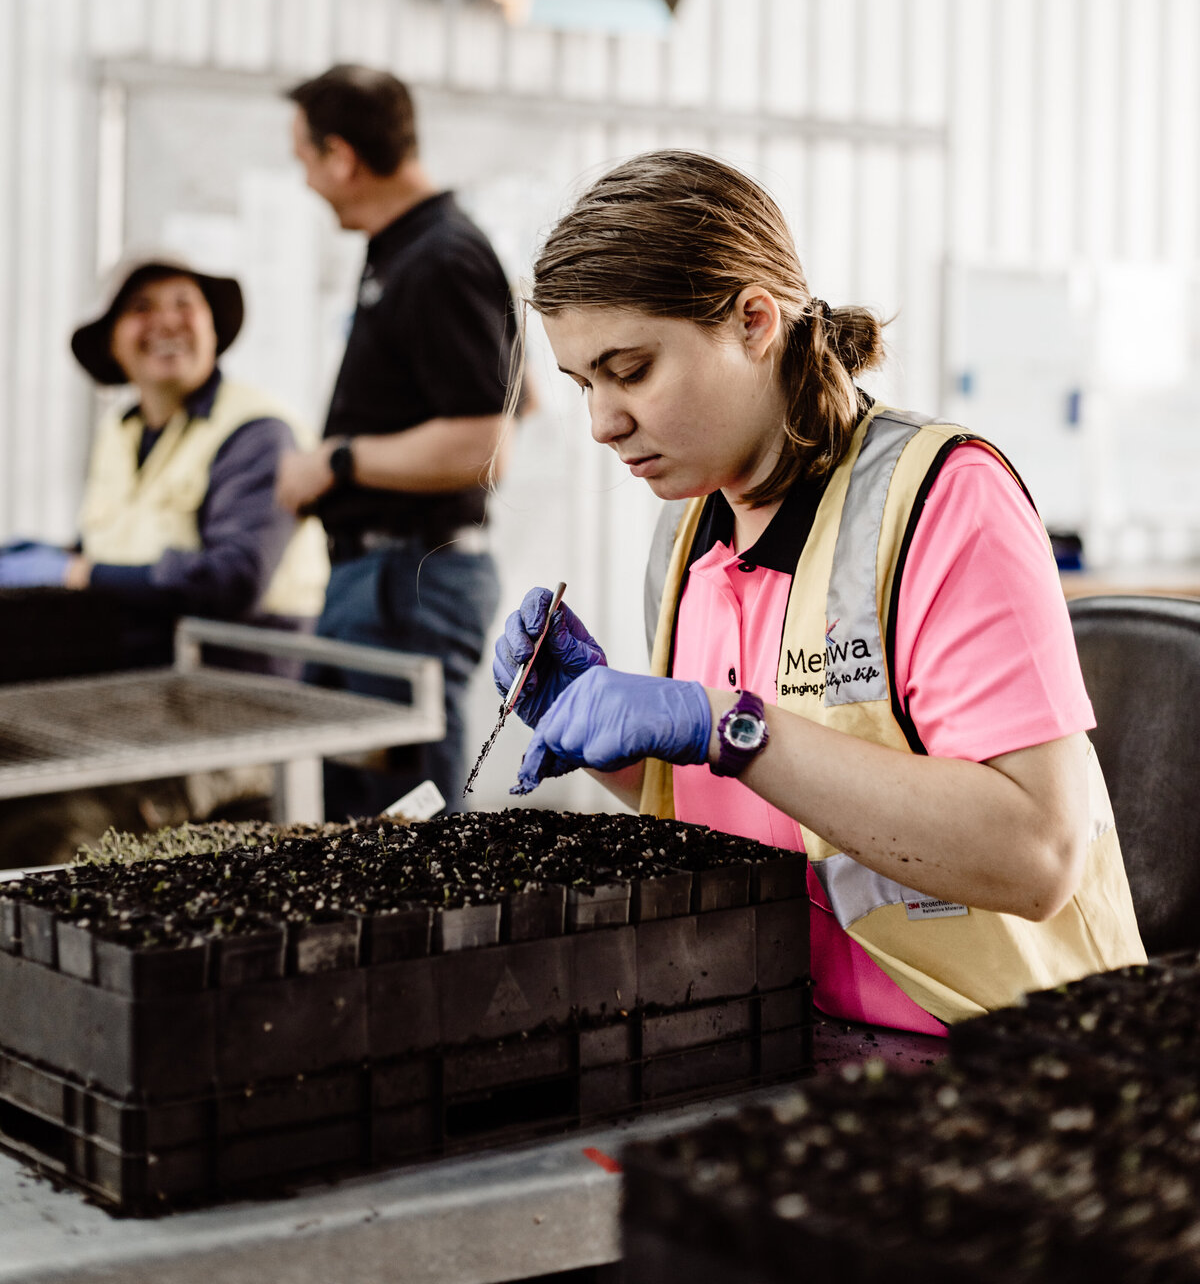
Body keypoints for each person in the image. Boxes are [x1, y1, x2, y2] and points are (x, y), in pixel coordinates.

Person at [491, 150, 1145, 1030]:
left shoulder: (941, 498)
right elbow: (768, 808)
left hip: (1006, 1052)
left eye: (633, 370)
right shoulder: (685, 536)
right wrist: (616, 747)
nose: (604, 424)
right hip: (787, 1032)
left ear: (755, 319)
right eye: (584, 385)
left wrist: (722, 724)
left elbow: (1035, 854)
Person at [278, 63, 513, 815]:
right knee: (351, 808)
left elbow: (485, 446)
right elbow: (520, 394)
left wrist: (337, 461)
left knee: (407, 825)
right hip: (378, 579)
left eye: (306, 161)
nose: (308, 183)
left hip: (406, 580)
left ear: (341, 157)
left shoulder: (441, 255)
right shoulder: (406, 247)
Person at [0, 254, 328, 665]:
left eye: (183, 304)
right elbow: (120, 543)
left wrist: (75, 573)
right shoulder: (121, 430)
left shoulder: (255, 431)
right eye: (141, 308)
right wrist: (55, 554)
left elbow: (233, 580)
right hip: (143, 664)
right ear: (112, 342)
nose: (167, 322)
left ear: (211, 326)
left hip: (239, 676)